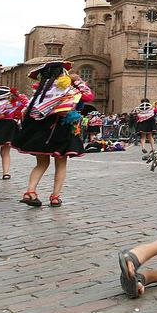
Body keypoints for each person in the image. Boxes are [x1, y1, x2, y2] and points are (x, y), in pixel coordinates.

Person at [13, 61, 94, 207]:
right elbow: (88, 96)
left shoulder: (39, 94)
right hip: (61, 130)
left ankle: (30, 192)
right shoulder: (68, 90)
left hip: (39, 132)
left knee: (41, 163)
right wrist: (78, 81)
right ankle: (55, 197)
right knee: (61, 164)